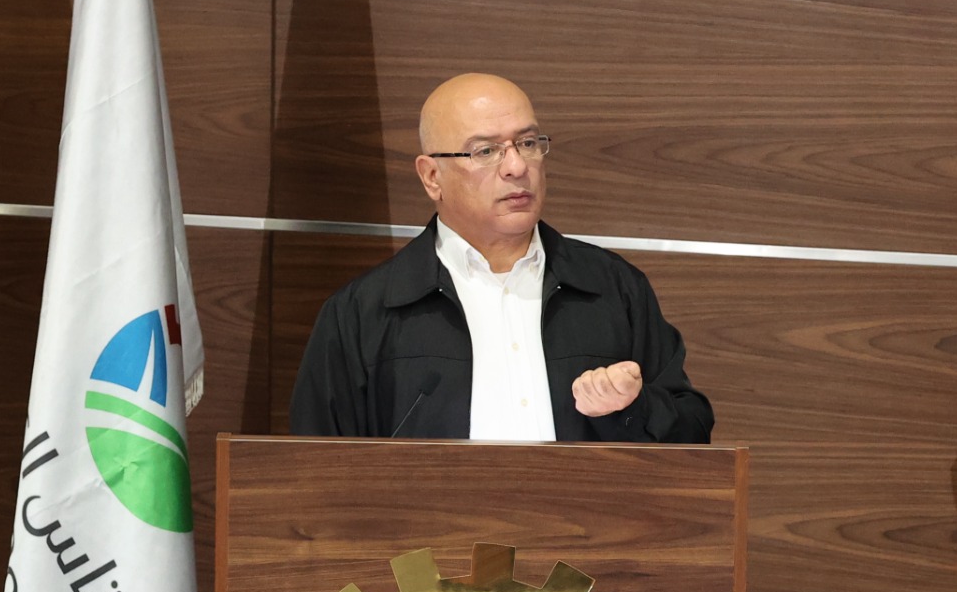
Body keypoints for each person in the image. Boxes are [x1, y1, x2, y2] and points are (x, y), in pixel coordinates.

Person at [288, 73, 713, 442]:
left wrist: (634, 405)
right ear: (432, 176)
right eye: (485, 151)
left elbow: (693, 432)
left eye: (527, 143)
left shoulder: (612, 288)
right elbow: (315, 468)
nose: (516, 166)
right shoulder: (363, 313)